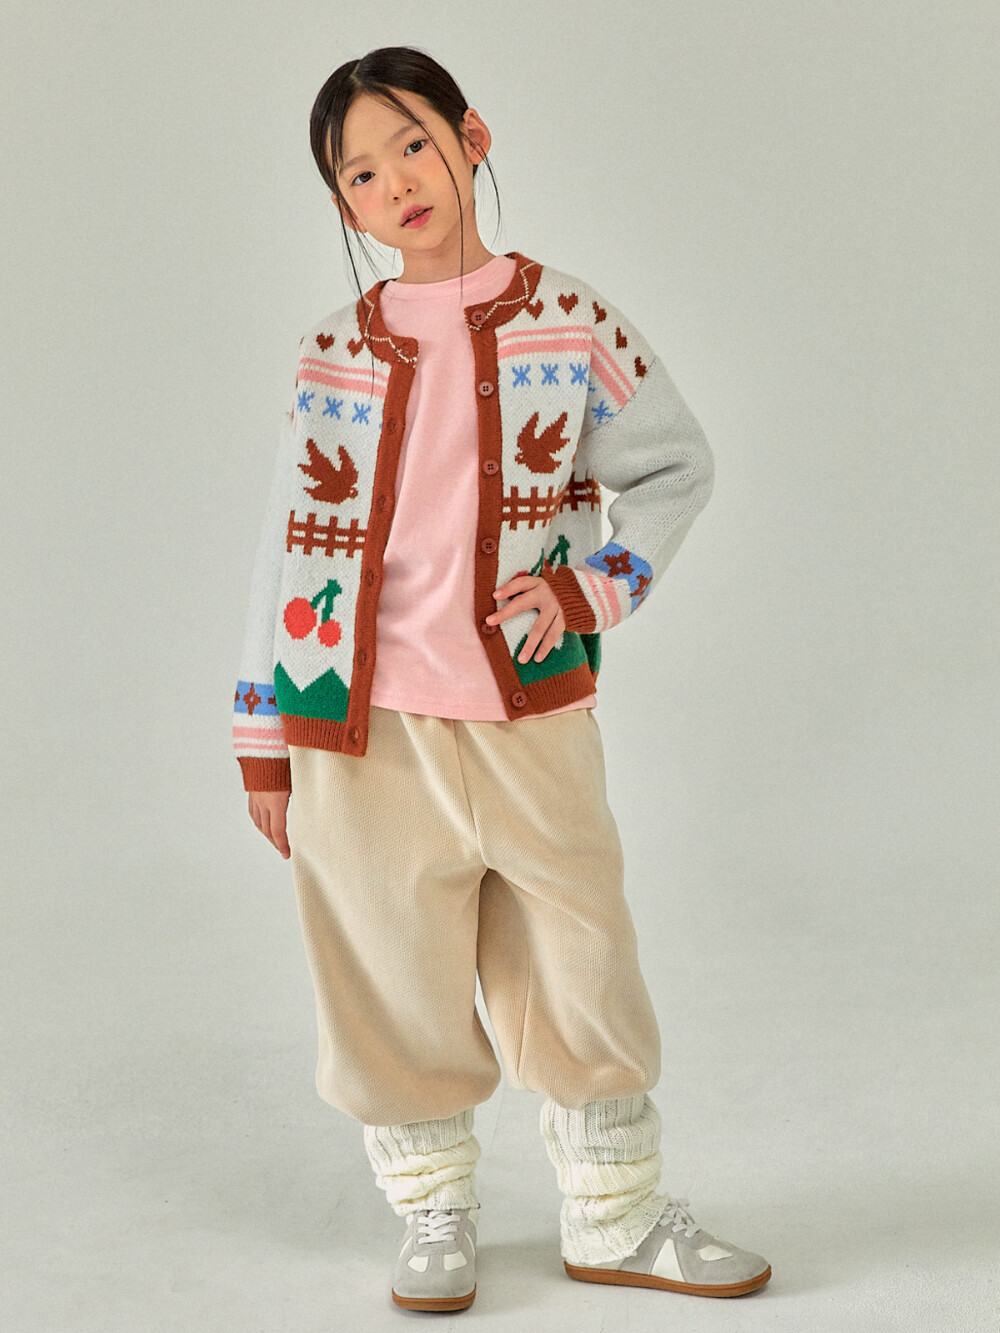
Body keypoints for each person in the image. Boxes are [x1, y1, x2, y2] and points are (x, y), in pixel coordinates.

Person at [232, 44, 771, 1314]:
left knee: (581, 954)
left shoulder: (570, 323)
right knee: (387, 971)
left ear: (472, 138)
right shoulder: (331, 350)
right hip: (358, 729)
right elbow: (285, 545)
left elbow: (674, 467)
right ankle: (434, 1213)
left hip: (529, 714)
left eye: (413, 144)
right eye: (360, 174)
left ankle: (616, 1213)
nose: (396, 183)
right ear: (342, 204)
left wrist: (588, 594)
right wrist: (262, 734)